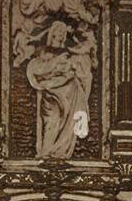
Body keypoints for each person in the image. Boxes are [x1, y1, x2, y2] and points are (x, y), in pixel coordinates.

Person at [26, 20, 95, 159]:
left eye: (63, 31)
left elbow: (75, 70)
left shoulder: (67, 53)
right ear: (52, 33)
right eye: (58, 30)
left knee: (68, 122)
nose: (61, 33)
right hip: (51, 92)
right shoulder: (44, 51)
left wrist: (68, 70)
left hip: (69, 91)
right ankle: (46, 151)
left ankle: (61, 151)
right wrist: (55, 66)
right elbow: (37, 69)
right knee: (52, 119)